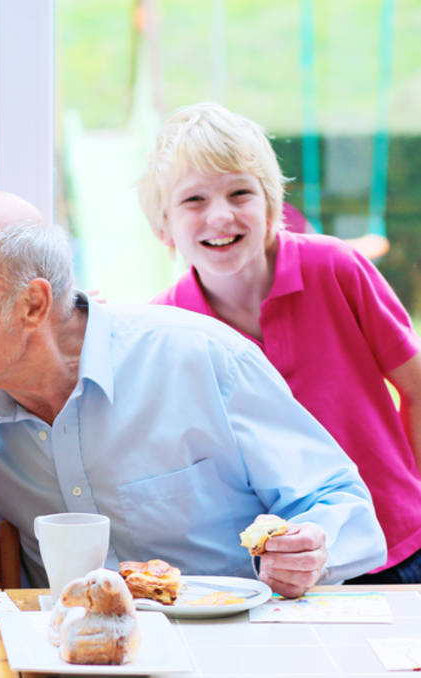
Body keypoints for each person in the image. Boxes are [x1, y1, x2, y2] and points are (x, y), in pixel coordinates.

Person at [0, 190, 386, 599]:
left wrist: (312, 547)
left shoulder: (198, 359)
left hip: (224, 650)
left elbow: (341, 500)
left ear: (33, 304)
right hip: (61, 655)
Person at [140, 102, 421, 583]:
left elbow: (415, 388)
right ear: (162, 226)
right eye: (194, 201)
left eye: (240, 192)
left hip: (396, 541)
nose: (221, 216)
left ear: (272, 206)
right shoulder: (165, 325)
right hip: (280, 571)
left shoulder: (335, 268)